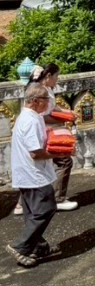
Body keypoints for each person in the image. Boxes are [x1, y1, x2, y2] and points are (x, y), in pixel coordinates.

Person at [5, 82, 60, 268]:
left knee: (32, 213)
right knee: (46, 208)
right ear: (35, 101)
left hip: (27, 173)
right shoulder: (30, 120)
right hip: (33, 174)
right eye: (46, 99)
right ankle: (20, 247)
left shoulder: (31, 117)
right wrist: (58, 154)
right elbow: (35, 153)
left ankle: (38, 246)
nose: (48, 103)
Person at [33, 63, 78, 212]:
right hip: (45, 131)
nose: (57, 79)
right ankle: (58, 199)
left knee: (46, 165)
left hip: (50, 130)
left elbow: (53, 108)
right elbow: (42, 116)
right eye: (56, 76)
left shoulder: (47, 89)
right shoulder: (40, 92)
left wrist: (67, 112)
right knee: (64, 161)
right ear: (48, 76)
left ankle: (23, 204)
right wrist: (64, 119)